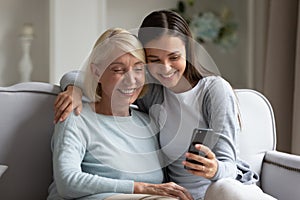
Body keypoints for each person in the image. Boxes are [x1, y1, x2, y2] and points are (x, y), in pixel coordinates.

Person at [54, 10, 276, 200]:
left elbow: (229, 165)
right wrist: (73, 90)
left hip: (222, 188)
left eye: (174, 57)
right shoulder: (151, 94)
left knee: (224, 189)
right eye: (154, 60)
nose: (165, 68)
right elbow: (82, 76)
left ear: (187, 52)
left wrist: (215, 169)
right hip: (178, 195)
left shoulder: (213, 90)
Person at [47, 27, 193, 200]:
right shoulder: (75, 116)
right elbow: (67, 182)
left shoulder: (149, 123)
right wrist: (139, 188)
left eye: (138, 69)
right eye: (118, 70)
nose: (131, 80)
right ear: (96, 72)